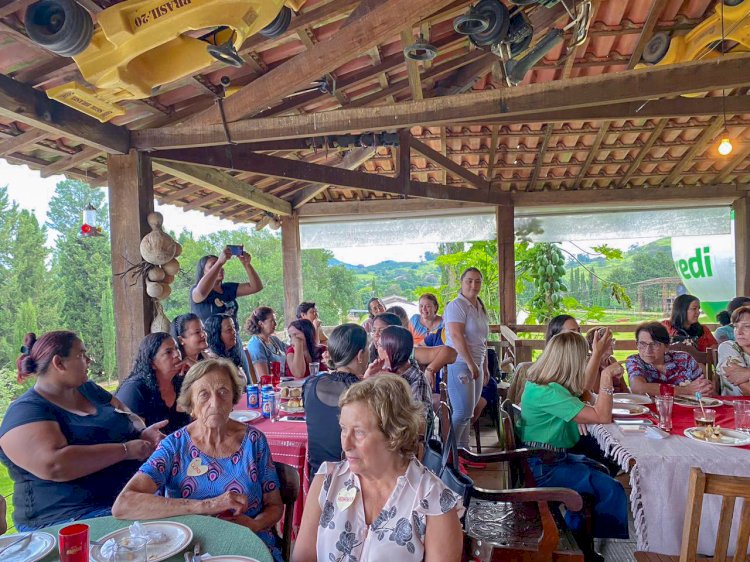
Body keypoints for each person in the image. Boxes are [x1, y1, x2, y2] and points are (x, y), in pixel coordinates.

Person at [113, 359, 284, 562]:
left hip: (247, 543)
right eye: (204, 394)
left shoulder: (254, 441)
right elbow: (123, 504)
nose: (215, 402)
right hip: (189, 547)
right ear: (191, 405)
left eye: (223, 392)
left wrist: (254, 525)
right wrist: (207, 505)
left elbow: (275, 506)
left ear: (234, 399)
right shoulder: (174, 447)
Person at [0, 331, 166, 530]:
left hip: (125, 499)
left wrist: (142, 434)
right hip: (68, 518)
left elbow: (128, 415)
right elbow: (55, 464)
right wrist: (126, 450)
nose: (89, 360)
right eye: (81, 355)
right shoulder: (26, 411)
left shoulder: (88, 389)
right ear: (58, 363)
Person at [293, 375, 463, 562]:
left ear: (393, 435)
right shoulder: (327, 480)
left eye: (358, 432)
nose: (346, 444)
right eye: (343, 429)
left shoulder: (434, 500)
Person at [518, 332, 628, 561]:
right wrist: (606, 377)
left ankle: (577, 541)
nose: (584, 361)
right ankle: (578, 545)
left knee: (601, 469)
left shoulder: (545, 385)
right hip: (544, 470)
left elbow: (582, 389)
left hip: (543, 461)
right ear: (571, 361)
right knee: (612, 488)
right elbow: (602, 415)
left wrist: (597, 353)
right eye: (583, 357)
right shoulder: (549, 393)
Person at [303, 324, 372, 476]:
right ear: (360, 355)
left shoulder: (310, 384)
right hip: (352, 480)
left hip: (318, 475)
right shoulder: (367, 393)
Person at [191, 248, 263, 377]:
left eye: (221, 266)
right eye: (212, 266)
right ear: (203, 273)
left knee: (243, 380)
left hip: (233, 340)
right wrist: (219, 262)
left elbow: (256, 286)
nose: (220, 268)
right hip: (213, 346)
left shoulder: (227, 288)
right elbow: (200, 293)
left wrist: (247, 264)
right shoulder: (198, 292)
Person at [444, 267, 490, 449]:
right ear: (461, 283)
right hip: (460, 363)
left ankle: (464, 452)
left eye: (478, 281)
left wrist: (483, 366)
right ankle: (450, 454)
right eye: (469, 280)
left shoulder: (479, 306)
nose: (474, 285)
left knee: (469, 413)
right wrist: (471, 364)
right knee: (461, 412)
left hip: (476, 363)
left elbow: (483, 341)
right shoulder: (456, 305)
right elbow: (456, 336)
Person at [116, 332, 192, 434]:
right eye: (168, 352)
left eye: (177, 348)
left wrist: (196, 373)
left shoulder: (181, 382)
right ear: (152, 363)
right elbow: (133, 436)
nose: (177, 354)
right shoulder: (135, 389)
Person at [369, 312, 456, 388]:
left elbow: (451, 353)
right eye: (374, 330)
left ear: (396, 333)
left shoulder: (406, 353)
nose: (376, 335)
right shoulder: (368, 355)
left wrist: (430, 369)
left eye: (382, 331)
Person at [626, 322, 713, 396]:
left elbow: (702, 389)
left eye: (655, 344)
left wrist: (705, 390)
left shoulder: (684, 359)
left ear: (667, 346)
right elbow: (638, 388)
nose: (648, 350)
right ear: (636, 344)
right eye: (642, 344)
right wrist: (686, 390)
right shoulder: (634, 361)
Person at [371, 325, 433, 422]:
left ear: (389, 351)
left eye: (379, 345)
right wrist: (367, 379)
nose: (377, 350)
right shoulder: (380, 371)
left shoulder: (417, 381)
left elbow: (419, 425)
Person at [204, 313, 249, 383]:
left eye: (234, 328)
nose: (234, 332)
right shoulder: (211, 360)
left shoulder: (231, 353)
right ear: (217, 335)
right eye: (229, 330)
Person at [717, 305, 750, 396]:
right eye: (735, 326)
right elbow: (746, 388)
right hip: (734, 408)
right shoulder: (728, 347)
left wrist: (747, 373)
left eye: (747, 326)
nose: (739, 332)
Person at [246, 307, 287, 378]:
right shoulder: (256, 345)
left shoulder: (274, 340)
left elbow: (290, 350)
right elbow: (264, 377)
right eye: (272, 321)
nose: (275, 323)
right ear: (261, 323)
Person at [584, 328, 629, 393]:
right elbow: (597, 391)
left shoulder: (612, 360)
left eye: (612, 340)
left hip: (620, 399)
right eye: (608, 341)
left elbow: (624, 388)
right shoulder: (591, 362)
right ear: (595, 344)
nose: (612, 344)